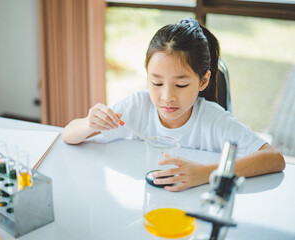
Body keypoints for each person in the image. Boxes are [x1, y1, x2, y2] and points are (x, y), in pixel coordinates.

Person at [62, 17, 285, 192]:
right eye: (156, 82)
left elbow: (274, 159)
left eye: (180, 85)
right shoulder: (138, 106)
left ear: (203, 81)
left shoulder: (213, 119)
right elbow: (68, 135)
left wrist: (206, 173)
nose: (166, 96)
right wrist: (90, 123)